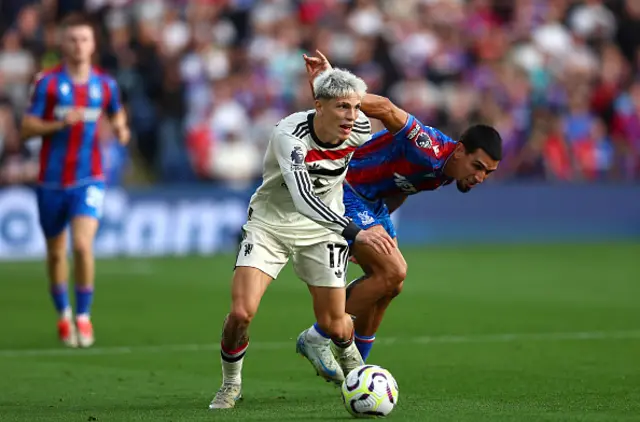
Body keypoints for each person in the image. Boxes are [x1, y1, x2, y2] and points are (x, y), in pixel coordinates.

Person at [208, 68, 396, 410]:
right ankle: (230, 384)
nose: (352, 116)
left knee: (334, 323)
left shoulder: (360, 129)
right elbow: (303, 199)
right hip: (271, 225)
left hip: (322, 232)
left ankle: (357, 372)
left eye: (355, 107)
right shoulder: (289, 135)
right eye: (342, 107)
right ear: (318, 105)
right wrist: (356, 232)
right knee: (241, 313)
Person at [303, 51, 502, 362]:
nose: (479, 177)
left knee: (391, 285)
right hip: (347, 186)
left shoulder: (445, 174)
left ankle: (356, 364)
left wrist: (372, 229)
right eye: (477, 166)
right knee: (395, 269)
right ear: (460, 150)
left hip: (374, 202)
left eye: (487, 173)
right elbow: (385, 108)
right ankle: (318, 335)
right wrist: (336, 89)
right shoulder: (429, 147)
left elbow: (401, 187)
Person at [20, 15, 130, 348]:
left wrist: (122, 129)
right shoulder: (48, 83)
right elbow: (26, 127)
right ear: (63, 44)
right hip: (51, 181)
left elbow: (116, 112)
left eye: (84, 39)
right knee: (56, 254)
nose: (78, 45)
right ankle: (63, 313)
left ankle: (83, 316)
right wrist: (58, 123)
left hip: (89, 178)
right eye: (72, 39)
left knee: (82, 246)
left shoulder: (105, 84)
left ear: (93, 44)